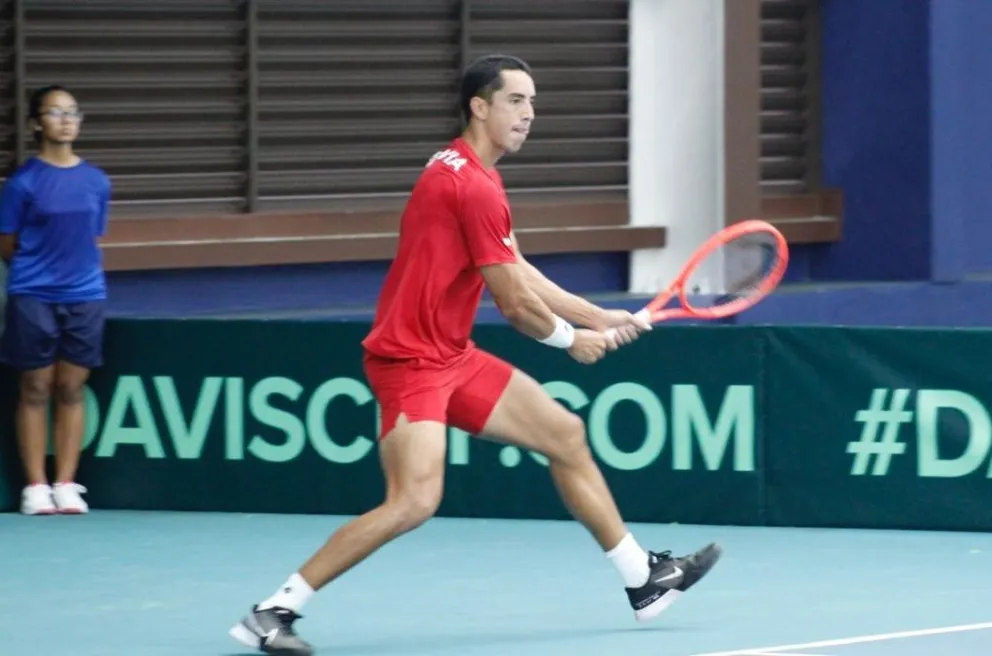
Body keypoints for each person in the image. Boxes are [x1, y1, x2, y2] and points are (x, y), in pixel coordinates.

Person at [229, 54, 722, 655]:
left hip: (452, 356)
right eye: (516, 101)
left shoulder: (464, 168)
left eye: (532, 102)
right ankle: (273, 611)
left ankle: (642, 578)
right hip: (410, 362)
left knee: (564, 435)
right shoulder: (472, 186)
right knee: (413, 501)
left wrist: (596, 315)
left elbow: (515, 267)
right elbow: (514, 303)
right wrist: (571, 341)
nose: (529, 114)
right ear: (479, 106)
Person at [0, 85, 111, 515]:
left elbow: (90, 236)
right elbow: (7, 244)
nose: (66, 120)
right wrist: (40, 273)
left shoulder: (97, 181)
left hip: (85, 295)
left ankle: (66, 483)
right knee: (35, 387)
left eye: (73, 112)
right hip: (33, 295)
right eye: (55, 112)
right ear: (36, 123)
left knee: (70, 387)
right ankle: (35, 487)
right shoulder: (22, 184)